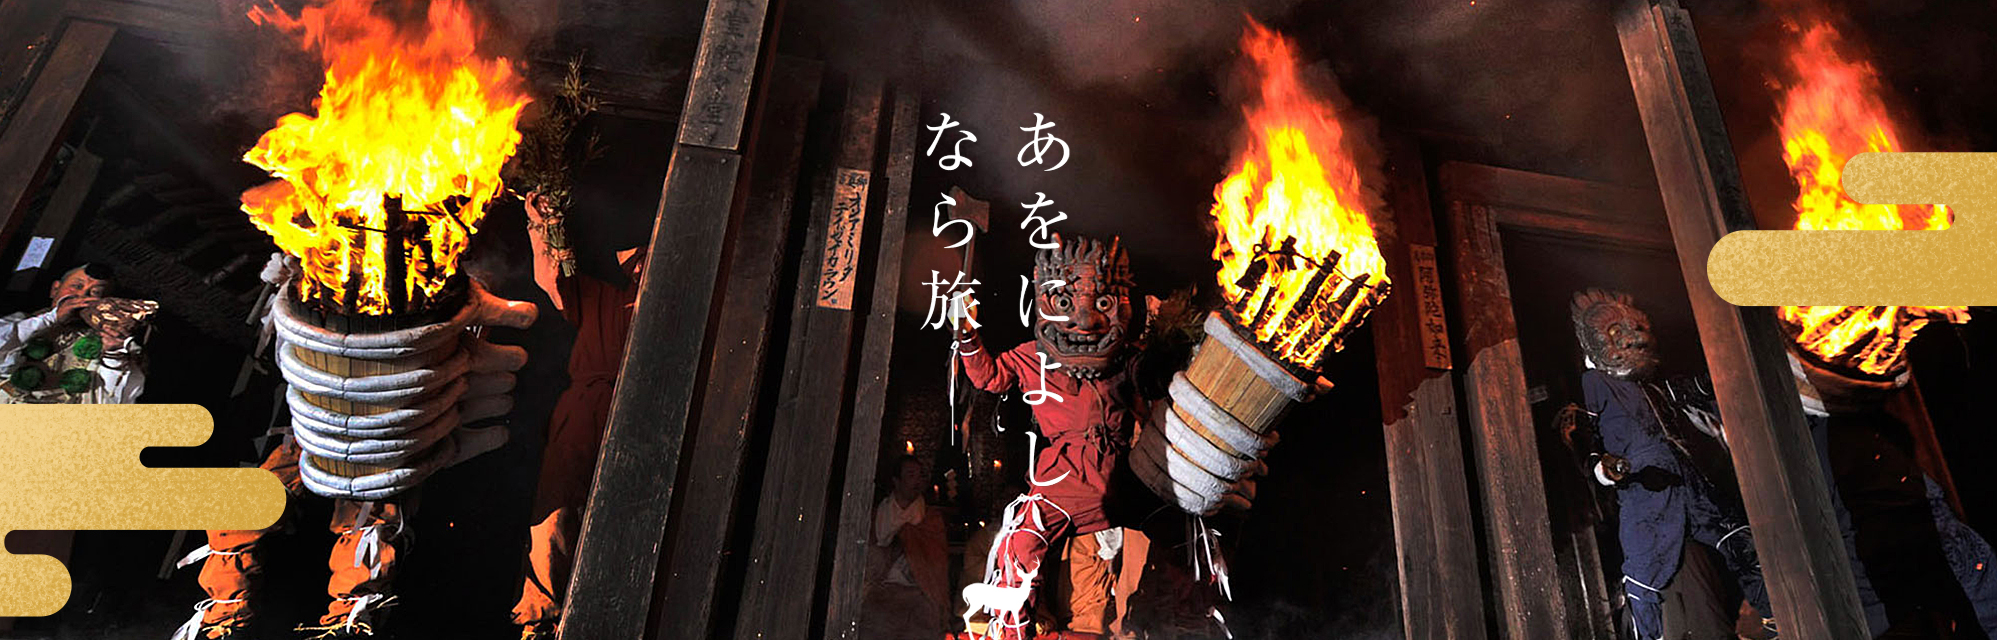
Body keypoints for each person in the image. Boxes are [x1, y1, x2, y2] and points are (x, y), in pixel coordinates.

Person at [955, 234, 1146, 640]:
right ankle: (1013, 632)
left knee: (1171, 538)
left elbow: (1155, 394)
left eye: (1103, 304)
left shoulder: (1128, 359)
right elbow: (989, 376)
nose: (1084, 320)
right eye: (1064, 303)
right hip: (1062, 479)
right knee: (1019, 546)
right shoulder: (1030, 357)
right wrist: (968, 336)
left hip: (1122, 476)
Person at [1567, 289, 1775, 640]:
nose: (1635, 337)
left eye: (1637, 328)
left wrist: (1733, 368)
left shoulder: (1655, 387)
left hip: (1690, 484)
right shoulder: (1596, 383)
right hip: (1647, 491)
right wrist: (1602, 467)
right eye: (1619, 331)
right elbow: (1581, 433)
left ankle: (1779, 621)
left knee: (1742, 541)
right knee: (1645, 573)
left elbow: (1696, 388)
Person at [510, 192, 646, 638]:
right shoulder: (604, 297)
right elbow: (554, 280)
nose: (644, 269)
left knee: (621, 520)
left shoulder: (678, 313)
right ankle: (540, 618)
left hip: (639, 417)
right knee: (556, 509)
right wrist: (543, 226)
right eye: (640, 261)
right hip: (586, 410)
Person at [0, 263, 148, 404]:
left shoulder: (117, 343)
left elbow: (113, 401)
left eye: (96, 293)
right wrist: (52, 318)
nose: (82, 295)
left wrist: (113, 354)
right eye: (76, 286)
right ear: (55, 289)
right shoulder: (18, 321)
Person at [861, 455, 950, 640]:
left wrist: (906, 541)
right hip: (880, 594)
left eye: (920, 476)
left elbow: (936, 565)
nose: (917, 481)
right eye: (911, 475)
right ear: (896, 481)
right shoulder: (878, 515)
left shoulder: (930, 520)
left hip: (918, 594)